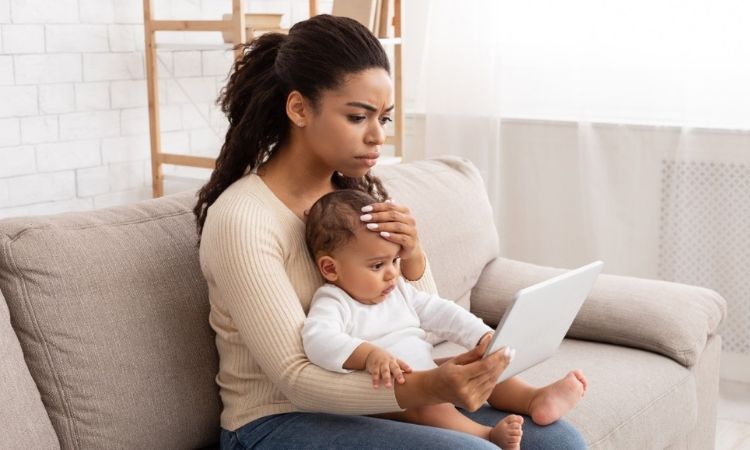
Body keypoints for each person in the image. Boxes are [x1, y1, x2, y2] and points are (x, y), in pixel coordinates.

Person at [194, 13, 588, 450]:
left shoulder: (352, 203)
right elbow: (296, 380)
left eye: (382, 118)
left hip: (379, 403)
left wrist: (414, 256)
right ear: (299, 108)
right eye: (359, 116)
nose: (377, 137)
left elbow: (419, 318)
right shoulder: (243, 220)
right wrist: (430, 387)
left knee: (557, 440)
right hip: (277, 422)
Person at [302, 189, 589, 450]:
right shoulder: (334, 301)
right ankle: (485, 436)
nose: (391, 273)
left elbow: (441, 312)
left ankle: (533, 398)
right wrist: (368, 355)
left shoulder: (398, 291)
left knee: (484, 365)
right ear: (330, 268)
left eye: (394, 261)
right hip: (398, 398)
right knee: (429, 407)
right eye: (377, 265)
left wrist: (482, 336)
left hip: (431, 376)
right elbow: (318, 340)